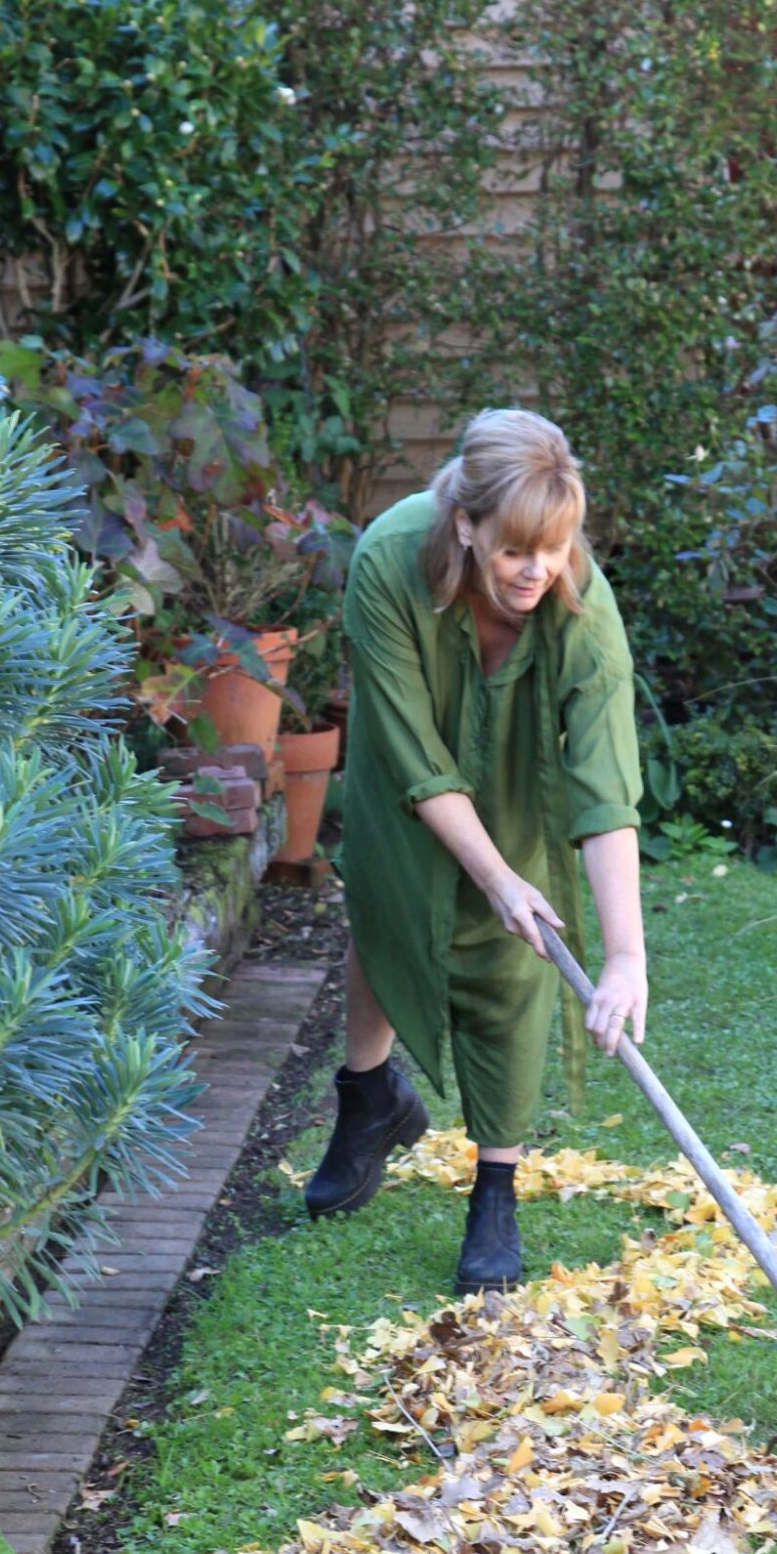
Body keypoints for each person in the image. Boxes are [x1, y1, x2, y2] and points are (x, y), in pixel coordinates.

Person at [305, 407, 646, 1292]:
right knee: (389, 911)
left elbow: (606, 787)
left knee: (510, 954)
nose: (538, 572)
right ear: (465, 525)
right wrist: (487, 873)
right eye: (513, 551)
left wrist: (625, 956)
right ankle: (369, 1099)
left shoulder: (580, 606)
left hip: (513, 770)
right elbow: (416, 755)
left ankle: (495, 1185)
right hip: (402, 760)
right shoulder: (388, 559)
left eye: (558, 548)